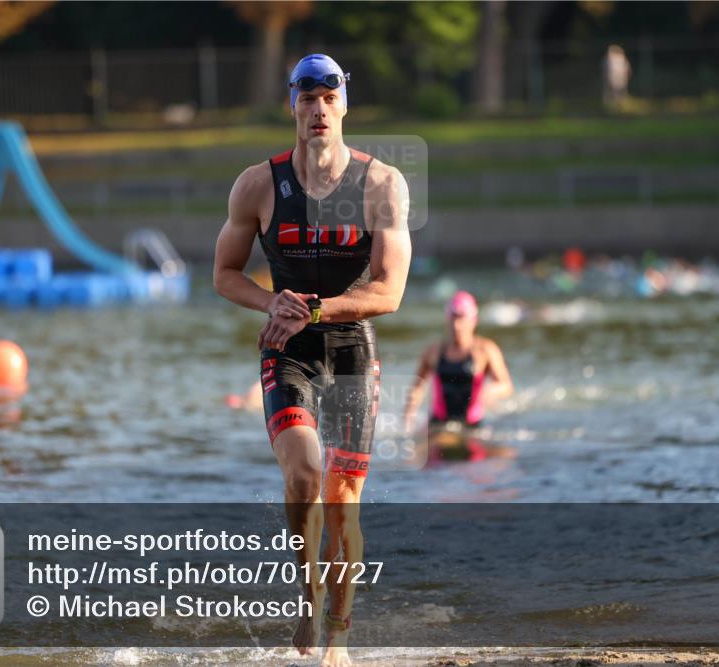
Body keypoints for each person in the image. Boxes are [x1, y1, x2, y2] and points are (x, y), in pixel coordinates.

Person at [213, 53, 411, 667]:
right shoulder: (257, 185)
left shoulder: (381, 184)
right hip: (288, 351)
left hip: (350, 348)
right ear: (292, 106)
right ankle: (307, 595)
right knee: (302, 476)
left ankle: (340, 636)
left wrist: (318, 309)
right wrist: (275, 301)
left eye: (329, 97)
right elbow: (223, 275)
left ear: (344, 105)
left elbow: (389, 292)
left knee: (343, 500)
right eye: (307, 98)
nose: (318, 109)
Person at [404, 291, 514, 462]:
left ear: (473, 320)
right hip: (438, 423)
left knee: (505, 457)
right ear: (447, 319)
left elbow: (506, 385)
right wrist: (408, 416)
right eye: (453, 318)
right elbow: (418, 387)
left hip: (473, 425)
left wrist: (491, 390)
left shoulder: (485, 350)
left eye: (462, 318)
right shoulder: (433, 352)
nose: (457, 325)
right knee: (409, 456)